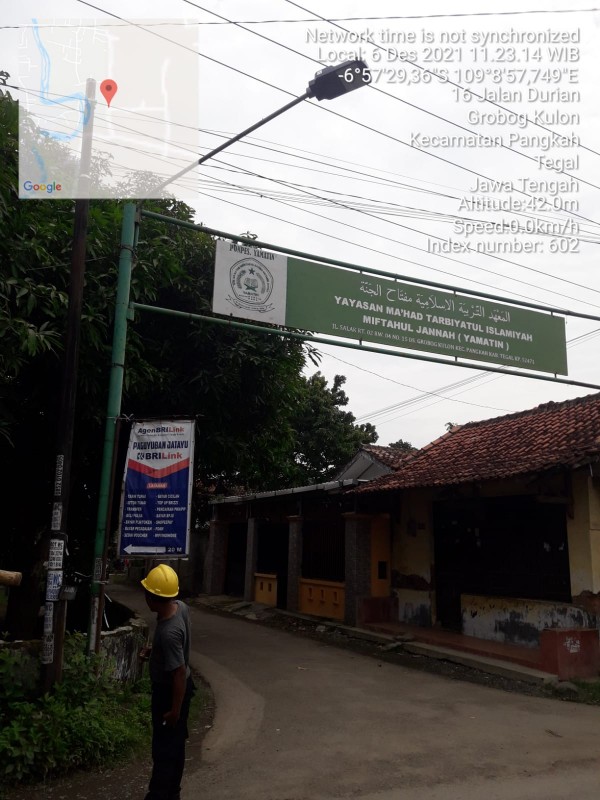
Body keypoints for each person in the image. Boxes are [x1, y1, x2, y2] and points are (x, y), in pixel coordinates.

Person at [140, 564, 194, 800]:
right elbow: (177, 651)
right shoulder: (180, 607)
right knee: (176, 745)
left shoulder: (168, 632)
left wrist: (174, 711)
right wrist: (155, 652)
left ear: (152, 598)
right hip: (181, 688)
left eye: (147, 593)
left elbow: (178, 673)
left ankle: (159, 794)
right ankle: (173, 793)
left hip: (170, 693)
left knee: (163, 750)